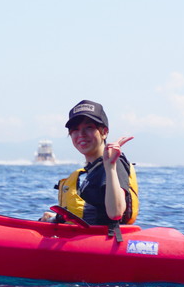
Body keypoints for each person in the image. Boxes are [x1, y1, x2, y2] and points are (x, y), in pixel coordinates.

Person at [41, 100, 138, 236]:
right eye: (75, 130)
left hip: (103, 243)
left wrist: (110, 166)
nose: (81, 134)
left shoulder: (114, 163)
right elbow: (91, 215)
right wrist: (54, 218)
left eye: (89, 127)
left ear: (104, 132)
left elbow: (115, 213)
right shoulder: (91, 170)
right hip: (85, 238)